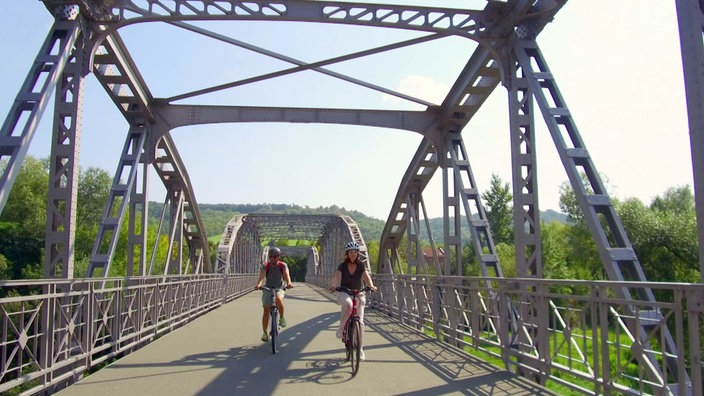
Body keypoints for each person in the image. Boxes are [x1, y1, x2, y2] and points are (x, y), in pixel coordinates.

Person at [329, 241, 377, 360]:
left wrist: (371, 286)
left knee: (360, 323)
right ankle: (341, 328)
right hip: (345, 292)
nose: (353, 254)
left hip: (358, 293)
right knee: (348, 304)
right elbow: (337, 277)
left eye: (355, 252)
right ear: (347, 253)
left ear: (357, 253)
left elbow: (366, 277)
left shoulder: (360, 265)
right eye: (351, 252)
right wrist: (334, 285)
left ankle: (360, 349)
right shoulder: (342, 266)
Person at [255, 247, 294, 342]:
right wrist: (259, 284)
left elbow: (286, 275)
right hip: (267, 288)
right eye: (271, 257)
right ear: (269, 257)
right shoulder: (266, 266)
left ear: (279, 257)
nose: (273, 259)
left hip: (279, 287)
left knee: (278, 299)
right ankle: (265, 333)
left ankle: (281, 318)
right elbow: (261, 276)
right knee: (266, 311)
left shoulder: (282, 265)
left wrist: (288, 283)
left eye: (275, 257)